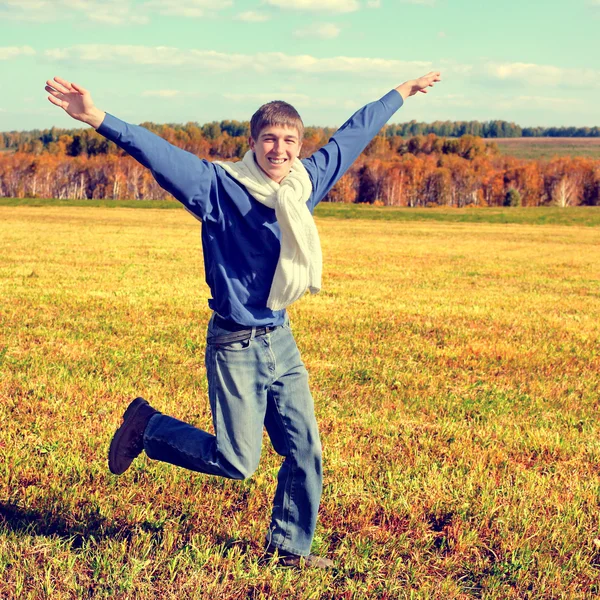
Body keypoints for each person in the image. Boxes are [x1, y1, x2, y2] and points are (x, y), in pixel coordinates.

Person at [45, 71, 441, 568]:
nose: (279, 149)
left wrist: (400, 94)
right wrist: (96, 117)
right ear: (252, 142)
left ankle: (289, 549)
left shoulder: (303, 184)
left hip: (281, 337)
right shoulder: (217, 187)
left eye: (289, 140)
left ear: (300, 146)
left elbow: (353, 136)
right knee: (236, 461)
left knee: (305, 451)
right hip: (235, 344)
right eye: (270, 139)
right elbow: (156, 152)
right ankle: (147, 428)